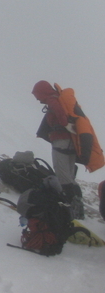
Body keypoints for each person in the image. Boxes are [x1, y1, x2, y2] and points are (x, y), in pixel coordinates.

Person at [32, 80, 85, 219]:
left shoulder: (52, 100)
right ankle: (79, 207)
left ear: (42, 92)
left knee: (62, 175)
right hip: (70, 142)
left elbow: (59, 111)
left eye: (37, 95)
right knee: (69, 175)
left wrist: (64, 124)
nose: (37, 99)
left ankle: (71, 208)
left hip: (61, 141)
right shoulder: (57, 98)